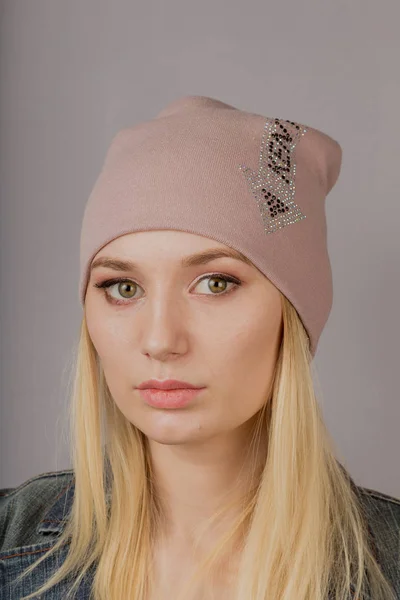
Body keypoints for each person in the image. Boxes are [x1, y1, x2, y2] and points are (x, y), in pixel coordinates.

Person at [1, 95, 399, 600]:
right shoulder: (9, 543)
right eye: (123, 288)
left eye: (215, 283)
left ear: (293, 312)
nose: (161, 340)